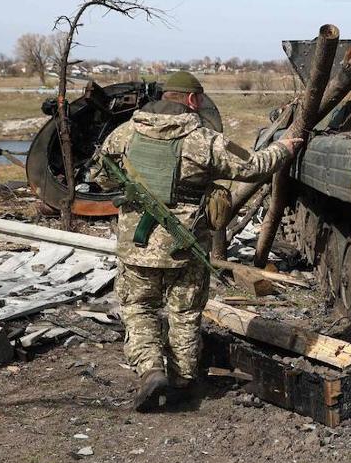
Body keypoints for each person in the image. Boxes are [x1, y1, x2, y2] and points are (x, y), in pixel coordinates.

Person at [91, 71, 297, 411]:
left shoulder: (125, 132)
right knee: (185, 313)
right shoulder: (204, 139)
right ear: (191, 99)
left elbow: (99, 175)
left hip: (136, 246)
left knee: (138, 308)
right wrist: (284, 148)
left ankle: (151, 370)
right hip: (184, 247)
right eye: (199, 99)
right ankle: (183, 381)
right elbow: (253, 166)